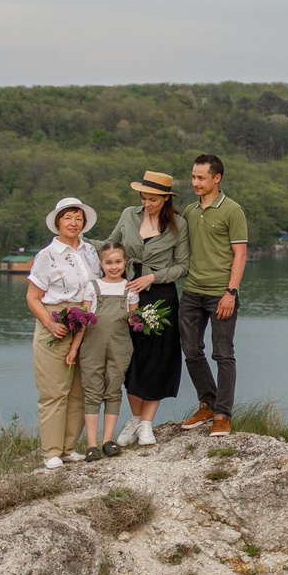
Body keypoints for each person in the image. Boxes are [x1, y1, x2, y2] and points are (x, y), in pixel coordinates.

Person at [113, 169, 189, 445]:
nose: (147, 203)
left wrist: (153, 277)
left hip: (160, 295)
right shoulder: (128, 215)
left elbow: (183, 266)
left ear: (166, 199)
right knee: (130, 356)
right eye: (144, 198)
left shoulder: (178, 224)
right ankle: (134, 419)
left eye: (153, 199)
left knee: (158, 357)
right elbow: (112, 247)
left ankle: (147, 424)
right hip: (129, 292)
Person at [24, 197, 99, 467]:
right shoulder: (47, 255)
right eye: (67, 217)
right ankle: (52, 452)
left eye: (78, 218)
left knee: (80, 388)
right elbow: (33, 297)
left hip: (85, 321)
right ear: (57, 222)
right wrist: (49, 323)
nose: (73, 222)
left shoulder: (90, 251)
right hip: (55, 320)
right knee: (54, 390)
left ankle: (69, 447)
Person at [177, 153, 249, 437]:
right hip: (192, 292)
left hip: (221, 293)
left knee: (223, 354)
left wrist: (230, 292)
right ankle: (206, 403)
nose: (195, 182)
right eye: (193, 177)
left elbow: (240, 255)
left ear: (216, 178)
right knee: (191, 352)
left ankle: (223, 414)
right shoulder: (190, 211)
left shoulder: (233, 210)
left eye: (201, 177)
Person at [69, 240, 135, 457]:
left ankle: (107, 440)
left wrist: (143, 320)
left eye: (118, 262)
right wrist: (74, 349)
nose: (114, 267)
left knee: (113, 391)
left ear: (125, 262)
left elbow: (134, 321)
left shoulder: (130, 289)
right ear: (101, 263)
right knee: (92, 393)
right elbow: (84, 322)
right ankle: (91, 445)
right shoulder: (93, 286)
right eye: (109, 262)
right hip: (91, 347)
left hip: (121, 346)